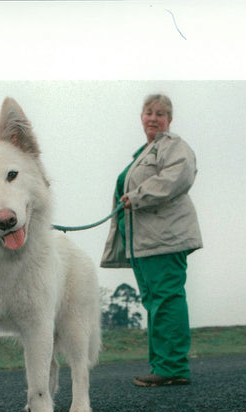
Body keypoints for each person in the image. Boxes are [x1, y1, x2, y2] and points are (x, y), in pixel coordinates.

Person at [100, 94, 202, 387]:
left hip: (165, 238)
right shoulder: (145, 152)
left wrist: (137, 195)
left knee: (167, 298)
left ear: (170, 119)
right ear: (141, 117)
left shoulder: (174, 147)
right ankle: (163, 365)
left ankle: (172, 367)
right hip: (144, 243)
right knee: (155, 301)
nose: (153, 118)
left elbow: (176, 178)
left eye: (160, 113)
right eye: (148, 113)